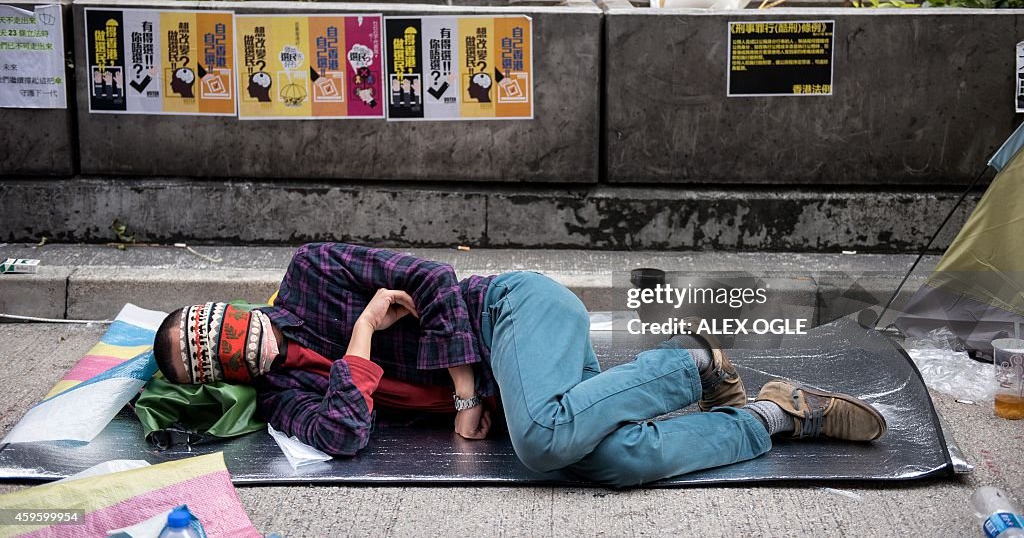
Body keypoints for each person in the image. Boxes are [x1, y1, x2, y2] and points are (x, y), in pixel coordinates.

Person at [152, 242, 887, 488]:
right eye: (200, 363)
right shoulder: (286, 396)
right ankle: (776, 414)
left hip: (510, 311)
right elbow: (344, 432)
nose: (215, 348)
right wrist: (365, 333)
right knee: (614, 462)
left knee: (540, 442)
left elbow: (436, 280)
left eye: (206, 329)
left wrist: (466, 390)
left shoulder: (310, 272)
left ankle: (688, 362)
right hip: (519, 392)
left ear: (227, 306)